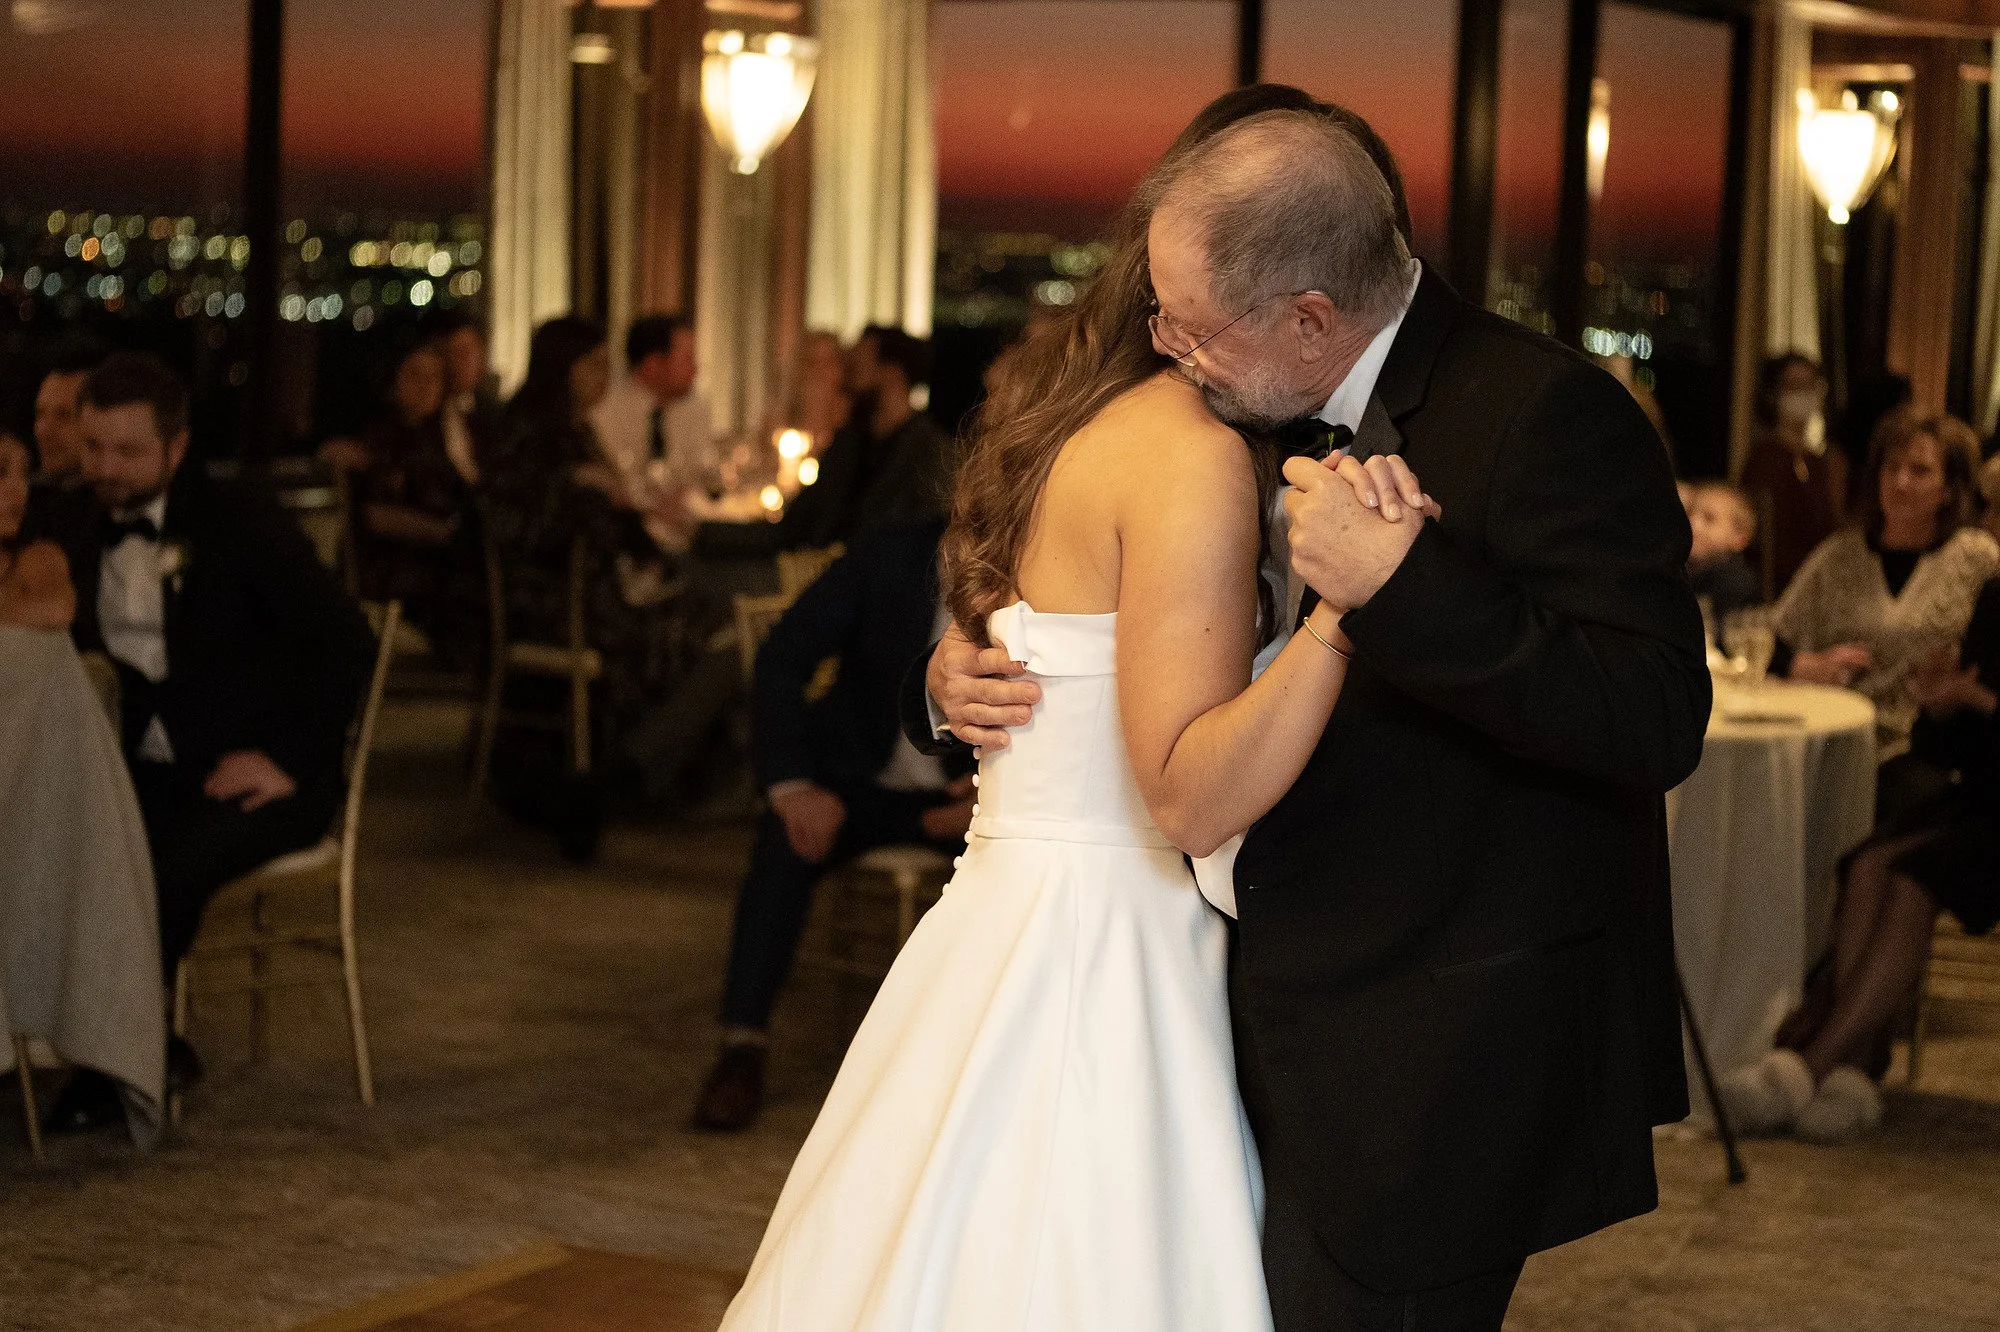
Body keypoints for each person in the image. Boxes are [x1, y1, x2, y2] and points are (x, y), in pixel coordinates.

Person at [740, 99, 1710, 1332]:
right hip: (1212, 1014)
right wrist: (951, 680)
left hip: (1430, 1041)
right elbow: (1087, 623)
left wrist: (1400, 589)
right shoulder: (1206, 414)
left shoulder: (1541, 414)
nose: (1165, 345)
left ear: (1309, 316)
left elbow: (1652, 715)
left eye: (1191, 324)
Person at [43, 352, 375, 1134]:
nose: (106, 470)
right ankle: (137, 1046)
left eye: (128, 453)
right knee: (64, 843)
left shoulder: (243, 523)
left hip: (262, 770)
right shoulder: (71, 520)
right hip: (144, 767)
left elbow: (347, 644)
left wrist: (289, 761)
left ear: (177, 447)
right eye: (93, 449)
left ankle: (115, 1063)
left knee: (153, 868)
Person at [691, 519, 976, 1131]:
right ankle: (741, 1045)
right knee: (781, 850)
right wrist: (793, 787)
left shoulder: (1046, 575)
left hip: (969, 800)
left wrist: (991, 794)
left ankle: (952, 1081)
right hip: (855, 785)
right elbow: (782, 657)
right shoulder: (891, 553)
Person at [1724, 577, 2000, 1142]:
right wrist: (1941, 705)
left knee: (1914, 878)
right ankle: (1853, 1070)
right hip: (1983, 796)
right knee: (1867, 864)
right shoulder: (1996, 598)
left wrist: (1983, 701)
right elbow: (1943, 750)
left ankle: (1813, 1064)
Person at [1773, 407, 1998, 773]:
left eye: (1920, 471)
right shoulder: (1840, 556)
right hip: (1833, 740)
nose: (1901, 482)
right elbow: (1769, 639)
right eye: (1891, 467)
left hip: (1924, 750)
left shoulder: (1976, 557)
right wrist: (1804, 664)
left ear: (1947, 489)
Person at [331, 340, 480, 663]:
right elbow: (377, 515)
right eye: (414, 375)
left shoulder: (448, 439)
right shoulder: (378, 439)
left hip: (442, 565)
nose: (426, 386)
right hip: (400, 572)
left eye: (435, 378)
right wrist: (449, 534)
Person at [588, 313, 715, 553]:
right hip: (625, 542)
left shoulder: (693, 408)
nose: (696, 369)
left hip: (685, 537)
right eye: (687, 359)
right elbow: (608, 485)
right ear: (653, 364)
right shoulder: (605, 410)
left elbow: (701, 476)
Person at [1740, 353, 1847, 594]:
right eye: (1794, 386)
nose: (1804, 394)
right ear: (1773, 394)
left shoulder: (1822, 462)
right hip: (1777, 592)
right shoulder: (1764, 459)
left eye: (1811, 385)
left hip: (1822, 589)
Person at [19, 336, 108, 550]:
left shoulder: (118, 514)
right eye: (40, 414)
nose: (44, 431)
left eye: (64, 416)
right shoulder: (21, 505)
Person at [0, 426, 76, 629]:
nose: (19, 488)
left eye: (24, 474)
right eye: (1, 472)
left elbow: (57, 610)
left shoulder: (38, 558)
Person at [428, 310, 500, 486]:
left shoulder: (496, 414)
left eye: (466, 352)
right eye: (449, 352)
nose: (458, 362)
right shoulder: (424, 415)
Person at [1682, 479, 1762, 619]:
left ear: (1739, 538)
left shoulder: (1737, 585)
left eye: (1709, 518)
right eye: (1689, 512)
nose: (1693, 524)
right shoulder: (1680, 570)